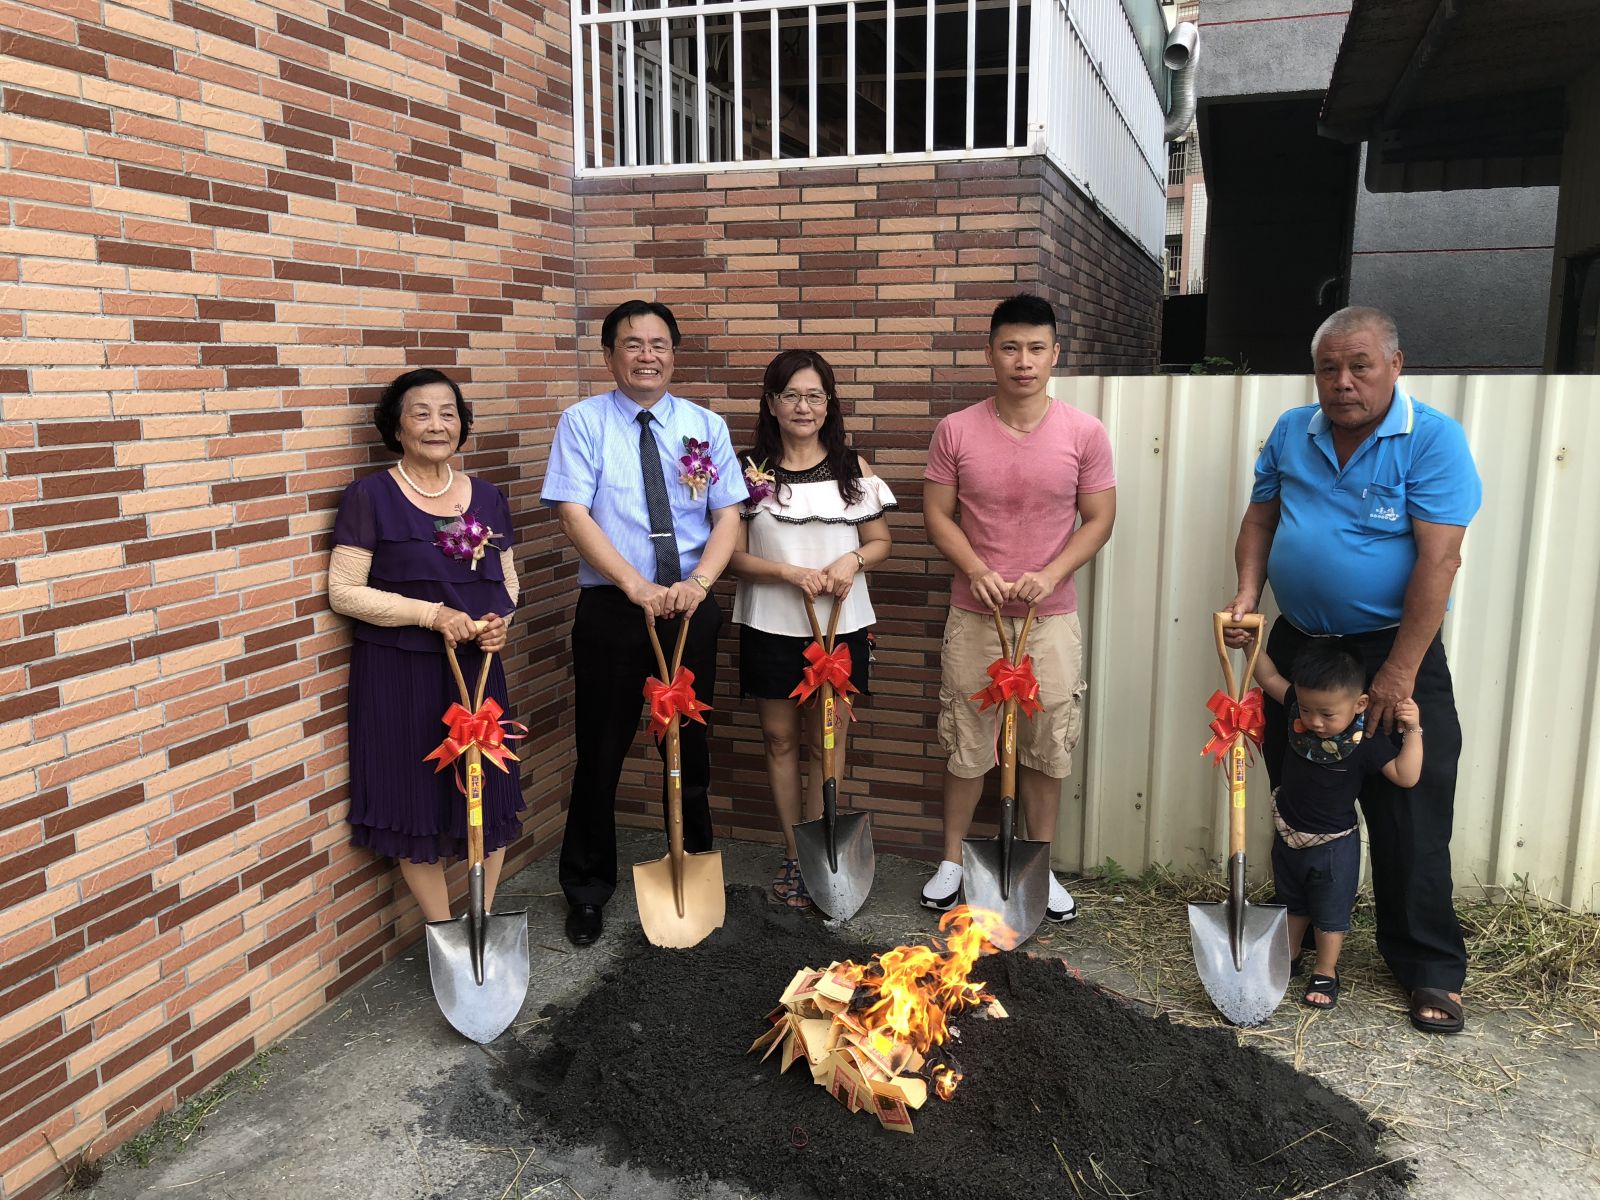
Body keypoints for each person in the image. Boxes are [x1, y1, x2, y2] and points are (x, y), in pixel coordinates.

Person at [1225, 305, 1481, 1034]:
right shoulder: (1290, 432)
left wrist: (1398, 675)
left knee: (1410, 811)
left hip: (1392, 648)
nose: (1342, 381)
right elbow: (1260, 521)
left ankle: (1428, 965)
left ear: (1395, 365)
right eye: (1328, 368)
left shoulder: (1431, 440)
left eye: (1359, 365)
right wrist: (1247, 596)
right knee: (1302, 802)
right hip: (1302, 645)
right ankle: (1303, 936)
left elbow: (1439, 560)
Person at [541, 300, 745, 947]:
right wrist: (636, 586)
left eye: (659, 344)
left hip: (689, 609)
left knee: (688, 751)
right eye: (632, 344)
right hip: (614, 610)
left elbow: (727, 515)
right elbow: (573, 513)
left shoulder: (704, 426)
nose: (647, 355)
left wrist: (698, 585)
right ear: (609, 356)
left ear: (673, 354)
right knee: (600, 753)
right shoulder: (583, 423)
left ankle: (692, 869)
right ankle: (586, 890)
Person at [920, 294, 1117, 922]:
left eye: (1036, 349)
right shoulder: (956, 430)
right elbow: (936, 514)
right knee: (966, 740)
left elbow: (1100, 518)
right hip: (974, 613)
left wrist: (1051, 574)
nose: (1023, 361)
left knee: (1045, 743)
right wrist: (976, 569)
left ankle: (1039, 864)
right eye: (1010, 348)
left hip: (1050, 618)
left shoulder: (1084, 433)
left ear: (1055, 355)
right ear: (990, 354)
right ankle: (952, 861)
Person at [328, 368, 523, 923]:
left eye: (448, 413)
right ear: (396, 427)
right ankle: (442, 929)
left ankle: (482, 920)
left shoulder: (489, 497)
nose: (437, 425)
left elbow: (508, 583)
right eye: (421, 413)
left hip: (478, 670)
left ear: (462, 425)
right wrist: (430, 615)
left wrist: (500, 624)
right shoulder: (370, 496)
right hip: (399, 672)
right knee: (412, 797)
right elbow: (344, 591)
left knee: (491, 793)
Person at [728, 350, 896, 909]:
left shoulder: (853, 468)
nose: (804, 407)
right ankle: (794, 853)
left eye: (815, 396)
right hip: (769, 623)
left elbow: (880, 541)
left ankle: (824, 849)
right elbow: (732, 557)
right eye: (791, 396)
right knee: (779, 740)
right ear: (771, 403)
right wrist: (789, 574)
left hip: (841, 626)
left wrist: (853, 560)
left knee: (828, 741)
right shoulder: (748, 472)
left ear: (829, 404)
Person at [1245, 640, 1423, 1010]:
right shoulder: (1298, 717)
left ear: (1359, 704)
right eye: (1306, 709)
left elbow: (1405, 776)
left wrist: (1413, 730)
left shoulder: (1364, 741)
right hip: (1288, 836)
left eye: (1327, 714)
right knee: (1292, 904)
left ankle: (1326, 971)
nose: (1314, 721)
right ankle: (1290, 956)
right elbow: (1269, 677)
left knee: (1329, 915)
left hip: (1333, 846)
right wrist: (1252, 646)